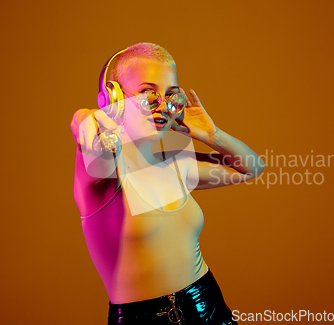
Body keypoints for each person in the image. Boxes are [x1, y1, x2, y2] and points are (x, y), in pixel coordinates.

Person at [70, 42, 265, 324]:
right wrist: (83, 117)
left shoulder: (177, 165)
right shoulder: (104, 174)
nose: (162, 106)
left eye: (171, 95)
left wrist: (213, 134)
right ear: (112, 95)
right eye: (148, 94)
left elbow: (251, 168)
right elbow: (89, 134)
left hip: (209, 307)